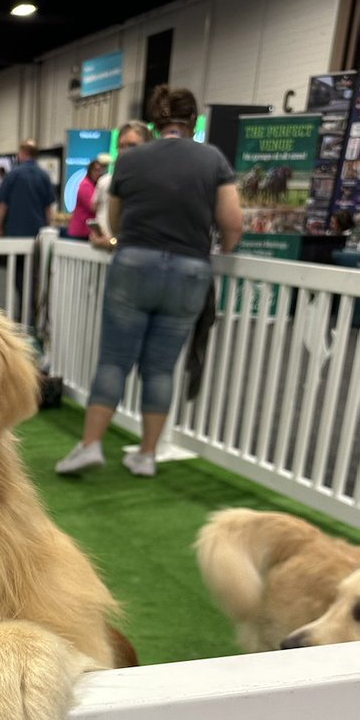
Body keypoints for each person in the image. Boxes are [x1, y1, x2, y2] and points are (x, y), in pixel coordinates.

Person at [55, 86, 243, 478]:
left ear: (157, 123)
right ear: (192, 121)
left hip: (134, 264)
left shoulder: (132, 161)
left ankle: (90, 445)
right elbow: (232, 223)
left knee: (113, 361)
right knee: (160, 368)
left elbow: (118, 221)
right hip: (190, 270)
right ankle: (146, 454)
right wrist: (224, 247)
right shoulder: (213, 160)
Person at [0, 140, 57, 322]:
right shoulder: (44, 176)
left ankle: (23, 311)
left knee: (19, 274)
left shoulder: (13, 175)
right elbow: (49, 208)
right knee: (36, 275)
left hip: (16, 234)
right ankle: (33, 312)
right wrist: (49, 229)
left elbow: (3, 205)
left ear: (22, 153)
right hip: (39, 235)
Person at [88, 122, 153, 248]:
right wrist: (112, 241)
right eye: (121, 146)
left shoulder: (154, 183)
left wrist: (113, 243)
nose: (124, 152)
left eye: (132, 146)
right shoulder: (116, 181)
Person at [67, 155, 108, 240]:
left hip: (89, 231)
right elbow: (92, 207)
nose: (99, 173)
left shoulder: (95, 185)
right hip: (81, 231)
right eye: (96, 170)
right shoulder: (85, 185)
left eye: (101, 171)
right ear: (90, 171)